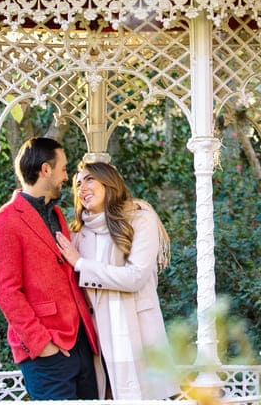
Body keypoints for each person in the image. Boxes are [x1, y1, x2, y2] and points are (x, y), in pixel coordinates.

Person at [56, 160, 174, 399]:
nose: (82, 188)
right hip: (98, 340)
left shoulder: (140, 217)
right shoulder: (79, 232)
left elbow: (135, 277)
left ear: (108, 181)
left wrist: (81, 264)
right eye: (78, 184)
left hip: (138, 332)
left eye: (89, 179)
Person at [0, 137, 101, 401]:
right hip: (47, 352)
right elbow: (7, 291)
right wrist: (42, 344)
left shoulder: (57, 214)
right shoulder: (6, 220)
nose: (67, 177)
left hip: (81, 344)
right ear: (45, 169)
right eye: (63, 169)